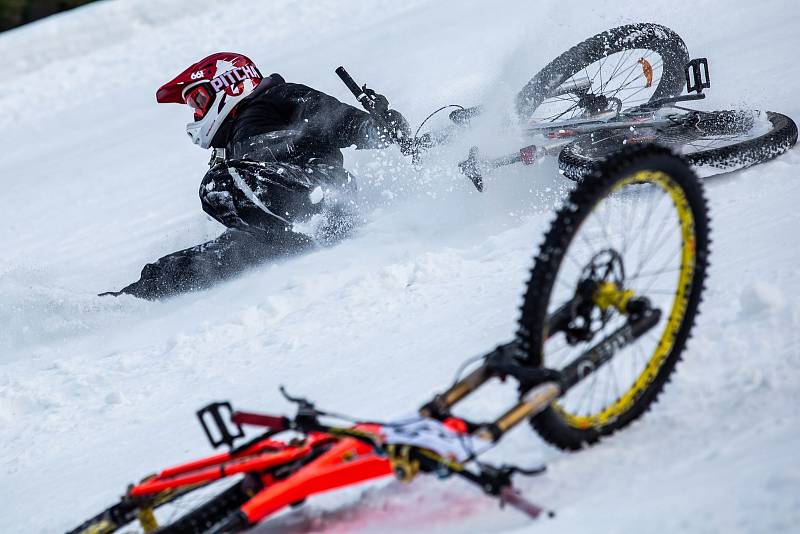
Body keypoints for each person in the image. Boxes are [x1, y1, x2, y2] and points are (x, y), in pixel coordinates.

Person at [103, 52, 409, 299]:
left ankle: (325, 221)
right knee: (184, 265)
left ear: (231, 84)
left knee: (219, 184)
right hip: (276, 226)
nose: (196, 113)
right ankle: (130, 301)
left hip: (318, 189)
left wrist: (376, 127)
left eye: (197, 101)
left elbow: (336, 119)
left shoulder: (279, 97)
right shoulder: (229, 150)